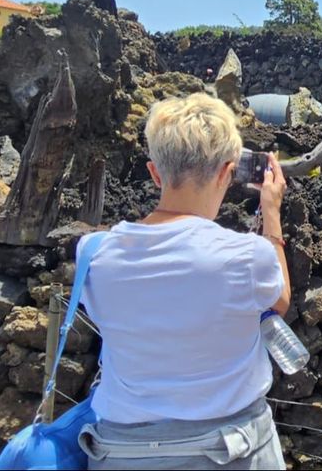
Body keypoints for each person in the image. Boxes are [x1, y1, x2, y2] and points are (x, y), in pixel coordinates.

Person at [75, 92, 290, 470]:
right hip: (231, 451)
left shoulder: (93, 254)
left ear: (155, 173)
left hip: (120, 454)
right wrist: (271, 212)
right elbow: (279, 301)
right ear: (228, 173)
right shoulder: (246, 256)